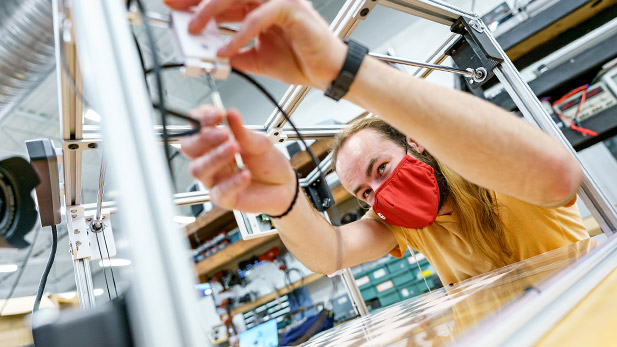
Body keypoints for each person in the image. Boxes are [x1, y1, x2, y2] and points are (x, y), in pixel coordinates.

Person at [166, 0, 588, 285]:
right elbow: (329, 253)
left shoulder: (490, 172)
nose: (381, 193)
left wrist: (341, 68)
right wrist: (284, 200)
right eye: (365, 192)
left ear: (416, 142)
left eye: (381, 169)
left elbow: (557, 177)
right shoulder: (405, 227)